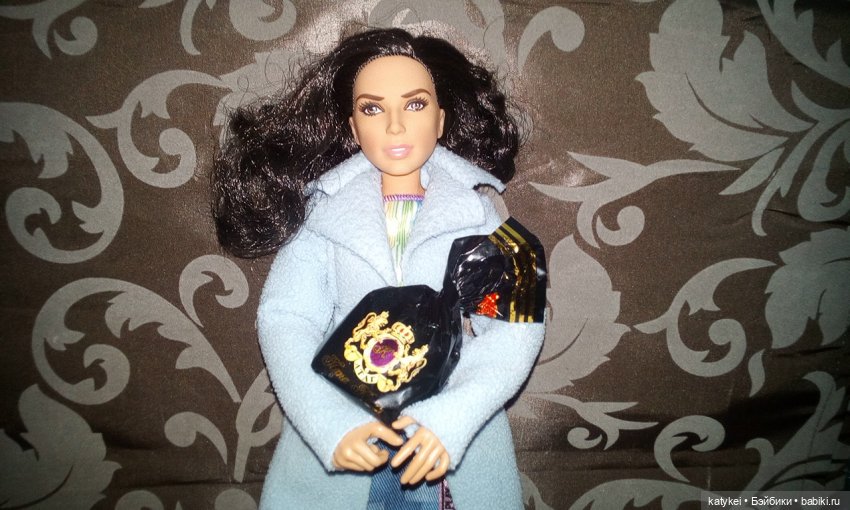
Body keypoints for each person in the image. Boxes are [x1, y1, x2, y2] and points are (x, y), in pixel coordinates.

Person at [212, 27, 545, 510]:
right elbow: (286, 318)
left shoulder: (479, 216)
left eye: (415, 105)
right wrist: (328, 422)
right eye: (372, 109)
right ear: (353, 128)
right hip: (350, 420)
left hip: (442, 436)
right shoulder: (323, 216)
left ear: (440, 119)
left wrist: (455, 416)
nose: (394, 126)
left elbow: (517, 326)